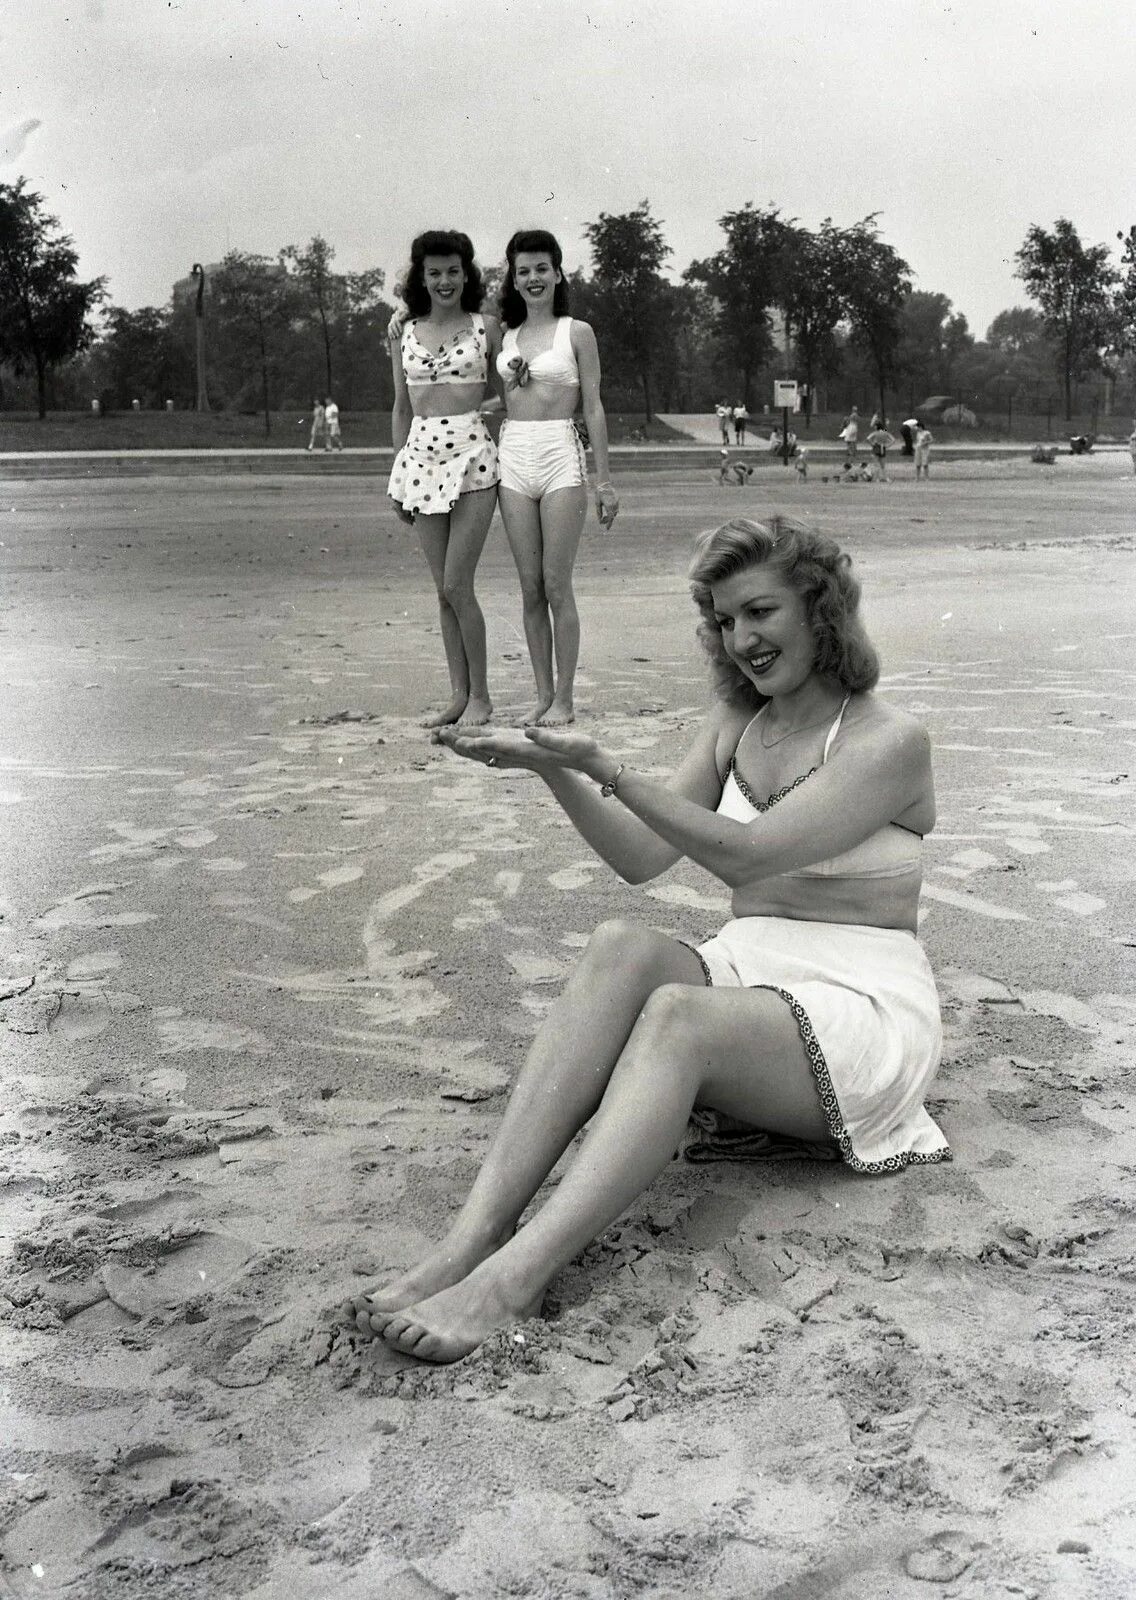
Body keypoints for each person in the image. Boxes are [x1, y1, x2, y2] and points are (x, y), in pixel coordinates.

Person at [341, 514, 949, 1364]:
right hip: (755, 976)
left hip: (863, 1008)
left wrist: (605, 766)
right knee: (623, 943)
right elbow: (640, 858)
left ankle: (515, 1279)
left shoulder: (889, 742)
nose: (742, 639)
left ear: (822, 611)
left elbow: (747, 850)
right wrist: (550, 767)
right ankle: (468, 1242)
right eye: (724, 618)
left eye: (761, 612)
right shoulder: (738, 724)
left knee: (675, 1015)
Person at [495, 229, 619, 727]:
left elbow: (594, 405)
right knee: (529, 588)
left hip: (561, 457)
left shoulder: (577, 332)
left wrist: (604, 481)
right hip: (514, 456)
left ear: (558, 272)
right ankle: (543, 693)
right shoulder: (504, 336)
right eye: (523, 270)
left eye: (541, 268)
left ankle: (565, 698)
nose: (532, 279)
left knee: (555, 583)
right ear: (514, 277)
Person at [387, 229, 502, 728]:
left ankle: (482, 697)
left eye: (453, 270)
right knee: (442, 590)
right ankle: (458, 695)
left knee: (458, 583)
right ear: (421, 277)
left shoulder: (487, 326)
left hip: (474, 461)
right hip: (420, 463)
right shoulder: (402, 332)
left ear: (466, 273)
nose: (444, 281)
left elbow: (506, 393)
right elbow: (399, 407)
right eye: (434, 272)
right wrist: (399, 473)